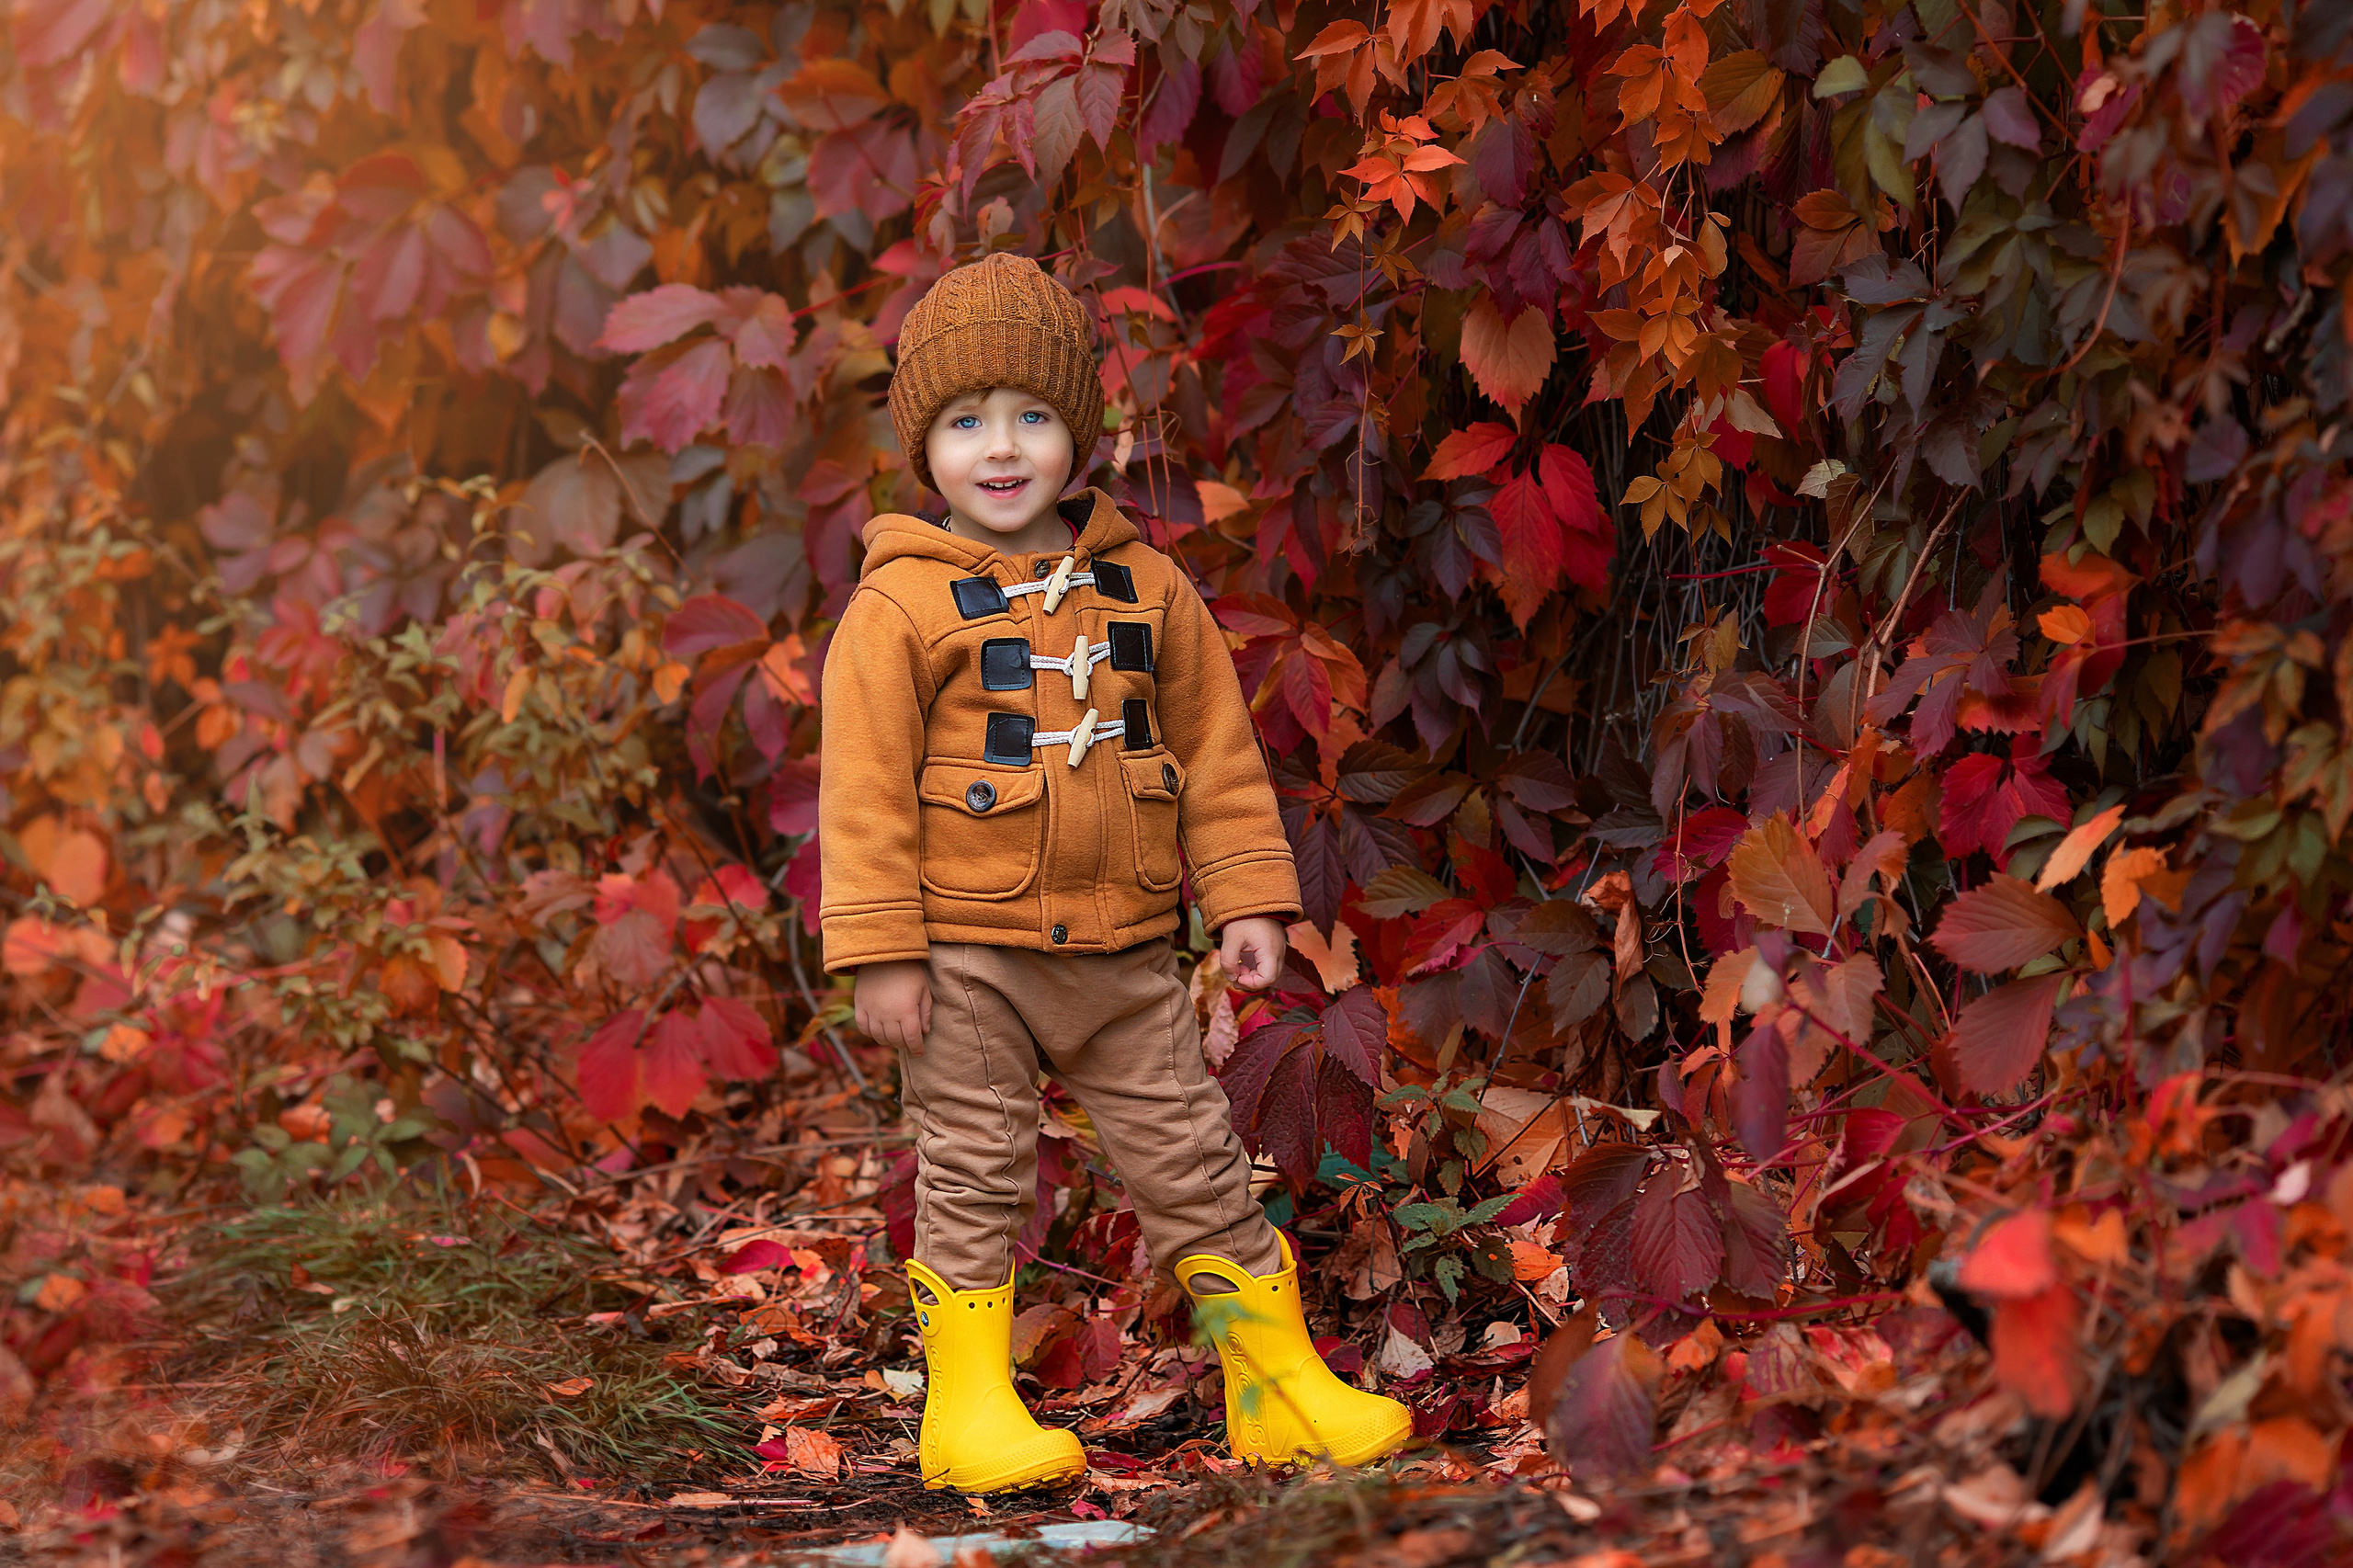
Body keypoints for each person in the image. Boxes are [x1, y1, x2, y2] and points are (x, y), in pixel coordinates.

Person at [818, 252, 1412, 1493]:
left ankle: (1276, 1382)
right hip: (968, 956)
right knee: (975, 1165)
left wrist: (1247, 890)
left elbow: (1214, 745)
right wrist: (880, 949)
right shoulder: (903, 609)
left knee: (1193, 1155)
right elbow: (863, 789)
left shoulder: (1143, 588)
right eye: (967, 419)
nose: (1001, 446)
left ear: (1077, 431)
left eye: (1033, 415)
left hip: (1127, 951)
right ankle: (969, 1405)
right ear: (923, 440)